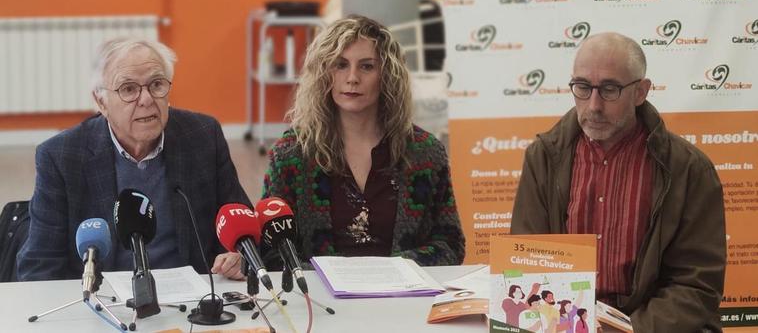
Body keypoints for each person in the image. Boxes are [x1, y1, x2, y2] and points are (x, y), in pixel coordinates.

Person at [512, 32, 726, 332]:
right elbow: (528, 266)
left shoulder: (689, 169)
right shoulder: (544, 158)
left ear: (641, 91)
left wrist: (627, 330)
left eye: (610, 89)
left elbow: (696, 286)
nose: (594, 105)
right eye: (583, 88)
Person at [17, 37, 250, 281]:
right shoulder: (61, 156)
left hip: (194, 301)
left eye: (156, 84)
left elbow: (242, 222)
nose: (146, 99)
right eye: (128, 89)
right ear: (101, 102)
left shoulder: (202, 136)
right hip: (104, 303)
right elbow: (39, 266)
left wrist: (238, 255)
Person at [261, 15, 465, 266]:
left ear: (387, 75)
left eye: (367, 66)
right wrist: (329, 277)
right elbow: (270, 249)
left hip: (404, 297)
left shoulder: (424, 152)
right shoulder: (291, 154)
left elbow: (450, 244)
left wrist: (391, 271)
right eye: (340, 65)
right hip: (319, 300)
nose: (352, 78)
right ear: (324, 73)